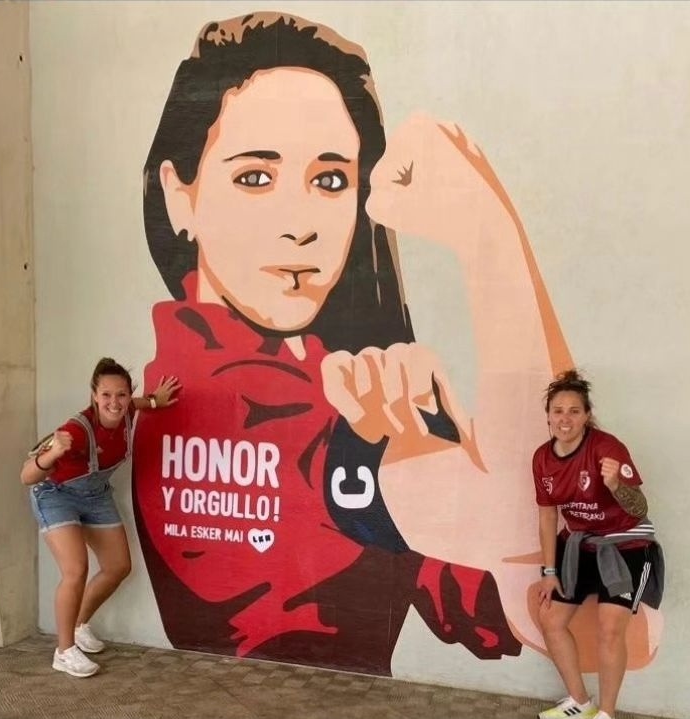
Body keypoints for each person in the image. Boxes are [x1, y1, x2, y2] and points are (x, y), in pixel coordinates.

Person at [132, 11, 575, 674]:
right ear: (179, 196)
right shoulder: (263, 399)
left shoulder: (333, 379)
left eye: (331, 179)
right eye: (255, 176)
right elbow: (531, 590)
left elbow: (511, 606)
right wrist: (490, 237)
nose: (301, 225)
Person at [21, 358, 180, 678]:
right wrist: (52, 453)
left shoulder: (127, 412)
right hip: (55, 494)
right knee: (75, 569)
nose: (114, 402)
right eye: (106, 395)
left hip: (95, 495)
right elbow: (26, 476)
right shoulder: (75, 431)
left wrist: (153, 401)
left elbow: (137, 403)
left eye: (121, 395)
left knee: (119, 566)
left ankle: (79, 625)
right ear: (94, 395)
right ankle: (63, 651)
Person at [533, 369, 664, 719]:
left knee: (609, 628)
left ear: (587, 415)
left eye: (574, 411)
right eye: (558, 410)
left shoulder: (607, 447)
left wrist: (616, 485)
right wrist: (548, 571)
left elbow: (640, 508)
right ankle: (580, 702)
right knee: (551, 619)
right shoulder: (542, 458)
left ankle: (606, 714)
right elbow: (548, 517)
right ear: (548, 415)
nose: (565, 418)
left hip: (626, 549)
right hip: (579, 548)